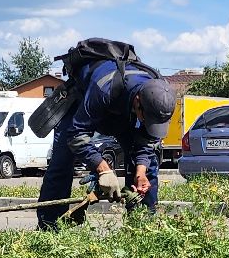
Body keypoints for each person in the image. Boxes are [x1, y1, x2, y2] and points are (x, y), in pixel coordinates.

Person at [35, 43, 177, 230]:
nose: (148, 123)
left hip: (122, 114)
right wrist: (103, 169)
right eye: (147, 119)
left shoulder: (157, 95)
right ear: (138, 101)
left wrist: (140, 172)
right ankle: (49, 226)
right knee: (62, 163)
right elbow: (76, 135)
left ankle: (142, 228)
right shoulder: (104, 87)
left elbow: (146, 141)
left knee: (147, 169)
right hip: (82, 102)